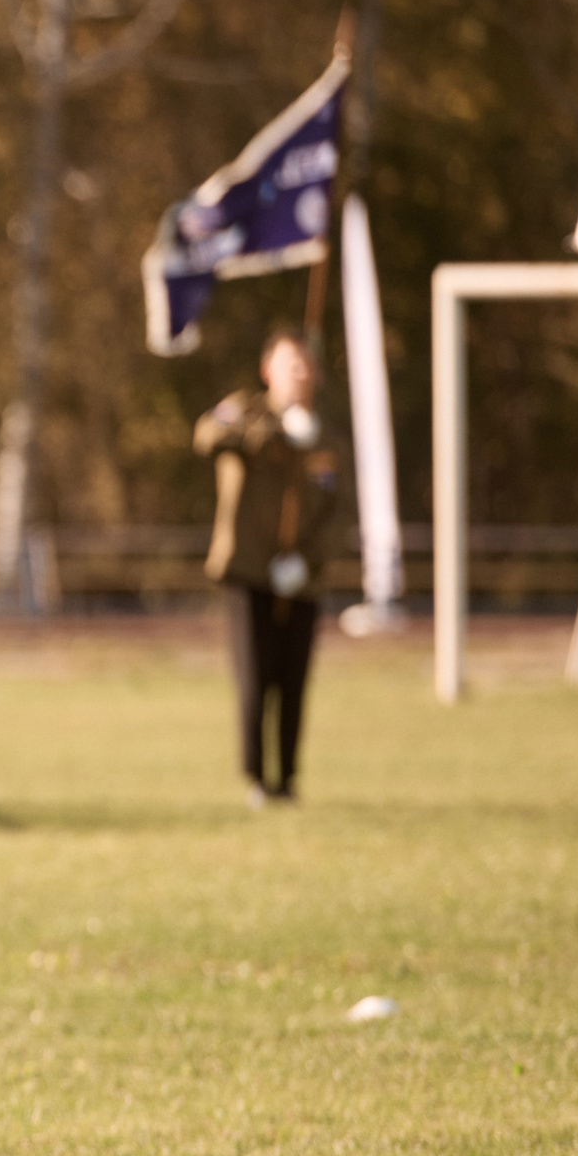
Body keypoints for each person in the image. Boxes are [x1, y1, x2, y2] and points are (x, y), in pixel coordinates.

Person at [195, 325, 341, 806]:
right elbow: (208, 435)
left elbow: (334, 507)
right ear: (268, 369)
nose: (300, 373)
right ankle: (257, 777)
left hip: (299, 576)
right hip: (248, 571)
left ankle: (288, 779)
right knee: (255, 678)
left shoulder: (324, 431)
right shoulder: (243, 410)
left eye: (307, 365)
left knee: (293, 680)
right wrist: (276, 428)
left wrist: (309, 560)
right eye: (290, 363)